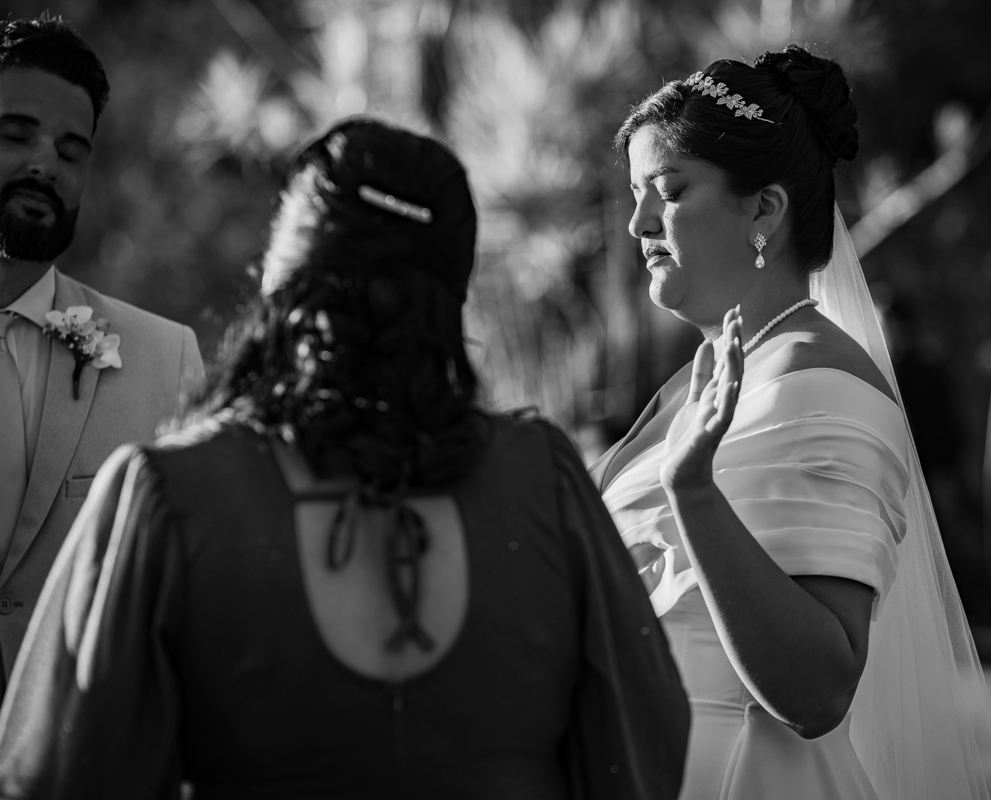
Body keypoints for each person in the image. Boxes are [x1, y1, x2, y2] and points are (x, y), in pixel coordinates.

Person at [0, 119, 690, 798]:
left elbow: (60, 772)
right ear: (450, 298)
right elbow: (642, 742)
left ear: (280, 279)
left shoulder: (170, 494)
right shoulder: (541, 478)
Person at [594, 45, 991, 799]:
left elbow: (819, 691)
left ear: (764, 208)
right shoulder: (701, 380)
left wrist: (693, 492)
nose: (638, 223)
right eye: (635, 194)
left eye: (668, 190)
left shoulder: (821, 386)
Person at [0, 14, 203, 691]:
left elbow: (190, 597)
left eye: (71, 149)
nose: (45, 165)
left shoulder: (165, 361)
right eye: (15, 134)